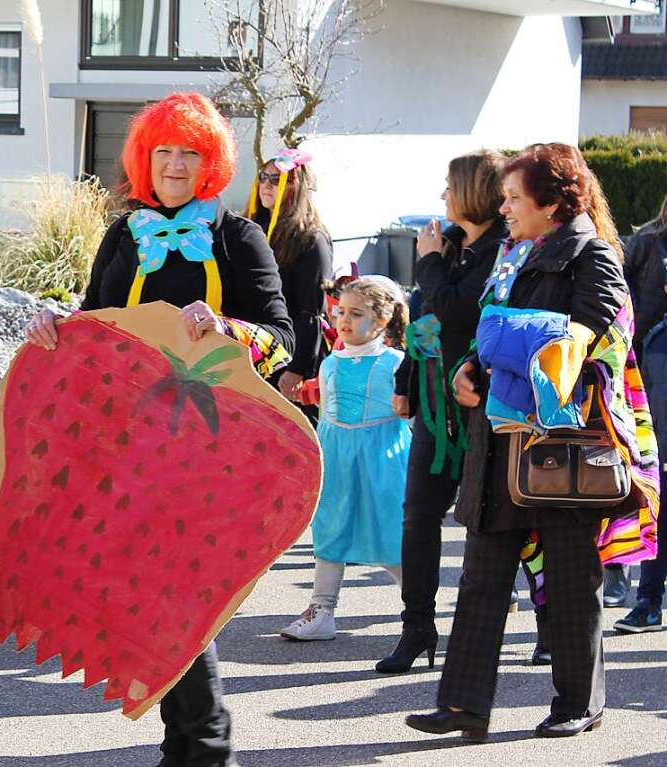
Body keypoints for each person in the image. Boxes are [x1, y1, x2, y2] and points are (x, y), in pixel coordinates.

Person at [27, 92, 293, 767]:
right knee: (148, 594)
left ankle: (204, 749)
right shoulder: (123, 233)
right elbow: (94, 322)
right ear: (146, 158)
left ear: (210, 162)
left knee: (179, 594)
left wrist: (227, 327)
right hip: (130, 444)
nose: (174, 164)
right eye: (163, 151)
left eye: (188, 153)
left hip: (213, 445)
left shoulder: (239, 237)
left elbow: (283, 339)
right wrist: (56, 326)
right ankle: (188, 746)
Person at [407, 143, 658, 741]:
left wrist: (500, 347)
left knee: (573, 579)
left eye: (515, 198)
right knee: (481, 577)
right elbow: (484, 330)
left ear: (552, 202)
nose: (505, 207)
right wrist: (468, 369)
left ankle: (579, 702)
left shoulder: (590, 255)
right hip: (496, 442)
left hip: (561, 445)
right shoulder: (511, 255)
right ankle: (462, 706)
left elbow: (594, 338)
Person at [377, 151, 509, 672]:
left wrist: (429, 261)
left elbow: (458, 313)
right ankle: (417, 628)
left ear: (475, 191)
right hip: (434, 409)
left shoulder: (501, 250)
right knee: (417, 516)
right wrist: (405, 382)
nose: (443, 197)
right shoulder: (450, 249)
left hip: (480, 407)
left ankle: (543, 626)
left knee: (490, 523)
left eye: (449, 187)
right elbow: (424, 323)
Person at [279, 277, 410, 641]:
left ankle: (417, 604)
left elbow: (411, 413)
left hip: (382, 461)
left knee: (390, 534)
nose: (345, 320)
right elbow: (326, 409)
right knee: (330, 531)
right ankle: (322, 611)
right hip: (336, 460)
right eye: (340, 312)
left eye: (357, 313)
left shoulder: (396, 363)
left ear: (382, 321)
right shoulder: (330, 363)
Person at [248, 148, 333, 419]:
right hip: (252, 349)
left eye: (277, 179)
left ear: (297, 187)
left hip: (288, 358)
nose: (267, 185)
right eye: (263, 177)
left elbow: (312, 311)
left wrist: (298, 367)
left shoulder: (311, 238)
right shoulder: (250, 228)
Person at [615, 193, 667, 631]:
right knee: (653, 483)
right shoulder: (648, 242)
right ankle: (646, 596)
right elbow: (623, 312)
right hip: (651, 379)